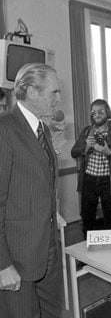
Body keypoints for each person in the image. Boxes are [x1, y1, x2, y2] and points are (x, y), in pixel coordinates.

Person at [0, 63, 63, 317]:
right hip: (17, 257)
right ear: (32, 92)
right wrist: (2, 264)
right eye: (54, 93)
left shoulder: (43, 129)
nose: (58, 99)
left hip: (47, 250)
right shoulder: (5, 129)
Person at [71, 99, 111, 238]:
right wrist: (85, 147)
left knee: (110, 219)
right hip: (89, 180)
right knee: (87, 219)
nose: (97, 115)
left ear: (107, 112)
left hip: (109, 181)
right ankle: (86, 254)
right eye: (94, 112)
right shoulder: (87, 131)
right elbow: (74, 152)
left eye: (101, 111)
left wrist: (108, 152)